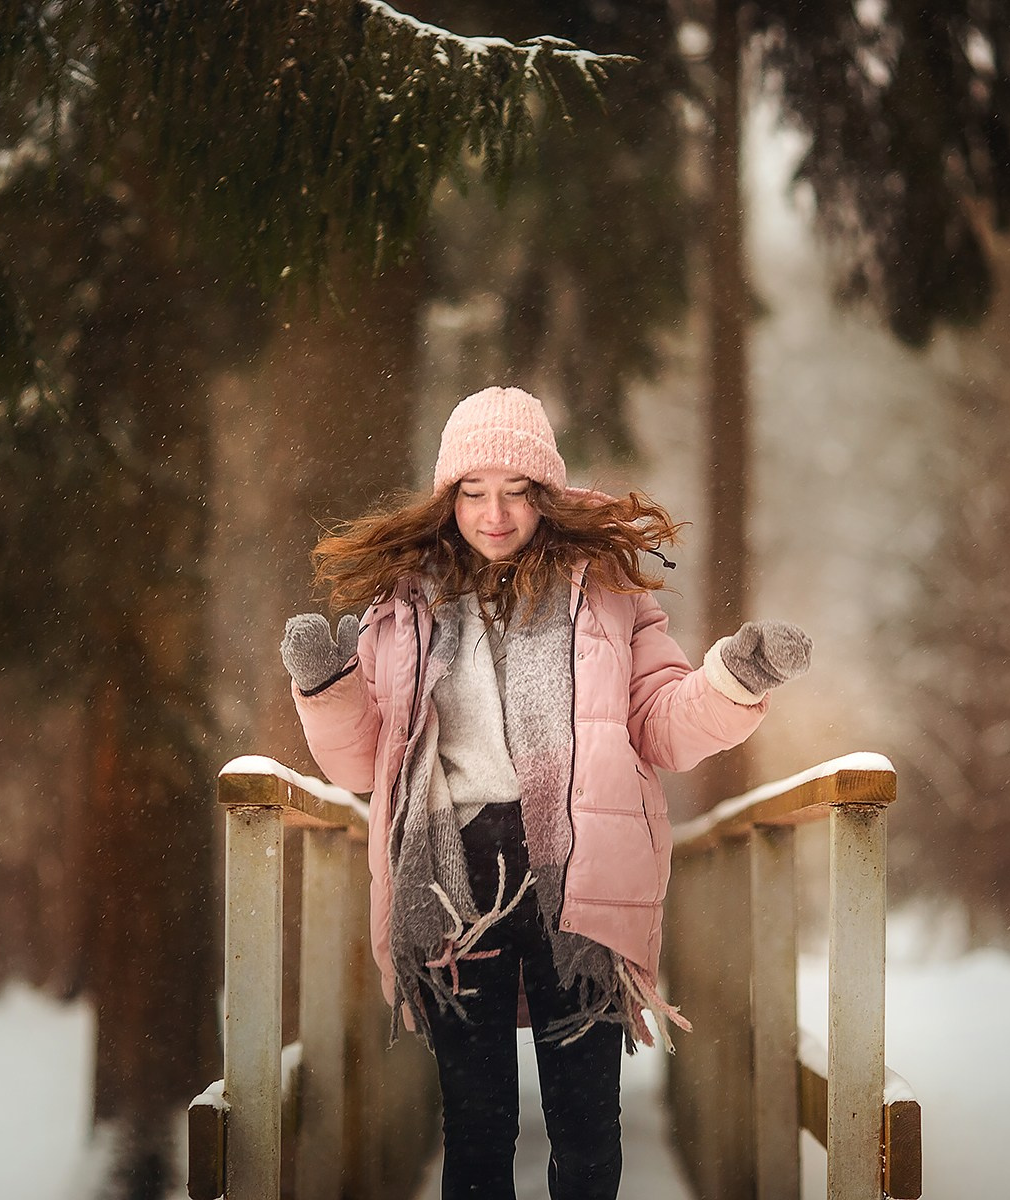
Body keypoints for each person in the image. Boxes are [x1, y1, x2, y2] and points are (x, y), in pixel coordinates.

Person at [281, 386, 810, 1200]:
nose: (495, 514)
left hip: (582, 885)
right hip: (451, 890)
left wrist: (734, 681)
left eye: (517, 491)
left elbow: (660, 723)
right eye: (473, 491)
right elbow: (364, 766)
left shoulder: (605, 593)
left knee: (588, 1128)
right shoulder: (402, 604)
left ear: (547, 495)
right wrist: (328, 688)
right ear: (447, 496)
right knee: (478, 1127)